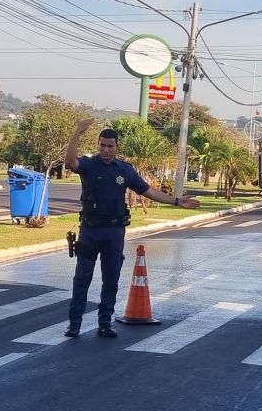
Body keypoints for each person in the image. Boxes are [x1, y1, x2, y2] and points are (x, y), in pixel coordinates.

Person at [63, 119, 198, 338]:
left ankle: (105, 323)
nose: (106, 150)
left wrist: (175, 201)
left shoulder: (124, 170)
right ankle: (74, 324)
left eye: (110, 146)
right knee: (81, 279)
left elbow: (148, 191)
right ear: (98, 145)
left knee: (111, 279)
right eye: (102, 145)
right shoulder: (89, 165)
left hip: (114, 232)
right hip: (90, 230)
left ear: (116, 147)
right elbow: (70, 161)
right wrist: (78, 132)